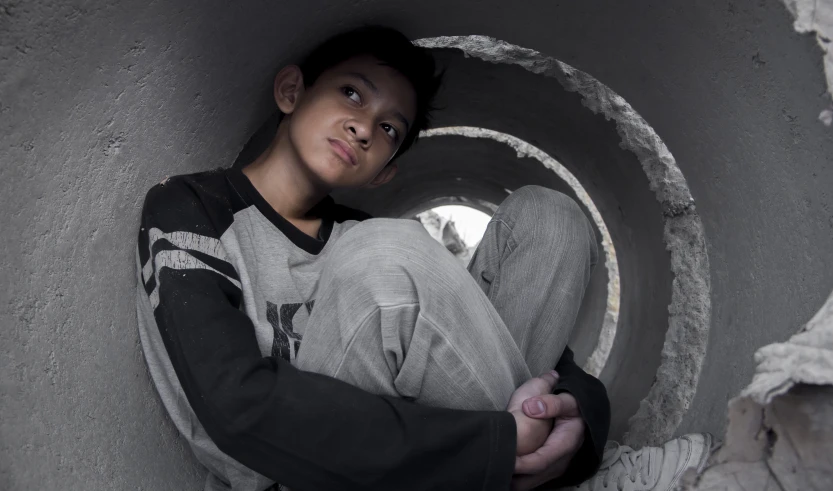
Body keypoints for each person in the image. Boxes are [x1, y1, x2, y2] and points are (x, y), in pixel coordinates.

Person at [135, 25, 710, 491]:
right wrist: (497, 445)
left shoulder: (357, 233)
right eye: (351, 93)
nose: (363, 126)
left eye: (388, 128)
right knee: (383, 255)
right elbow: (236, 406)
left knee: (548, 218)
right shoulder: (192, 208)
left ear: (385, 170)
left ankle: (549, 471)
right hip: (297, 473)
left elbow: (488, 345)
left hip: (424, 456)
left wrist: (580, 426)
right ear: (292, 92)